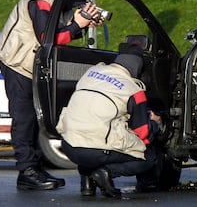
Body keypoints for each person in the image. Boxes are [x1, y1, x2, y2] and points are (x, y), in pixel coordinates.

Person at [0, 0, 102, 190]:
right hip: (17, 62)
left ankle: (33, 167)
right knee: (23, 117)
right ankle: (27, 171)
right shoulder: (41, 0)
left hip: (32, 63)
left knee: (35, 117)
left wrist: (81, 26)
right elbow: (48, 39)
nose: (82, 2)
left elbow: (60, 31)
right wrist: (76, 26)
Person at [56, 47, 162, 198]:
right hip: (95, 151)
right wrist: (154, 122)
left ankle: (87, 182)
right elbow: (142, 132)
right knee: (149, 158)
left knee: (89, 133)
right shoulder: (133, 90)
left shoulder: (90, 73)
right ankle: (106, 173)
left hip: (68, 145)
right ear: (138, 69)